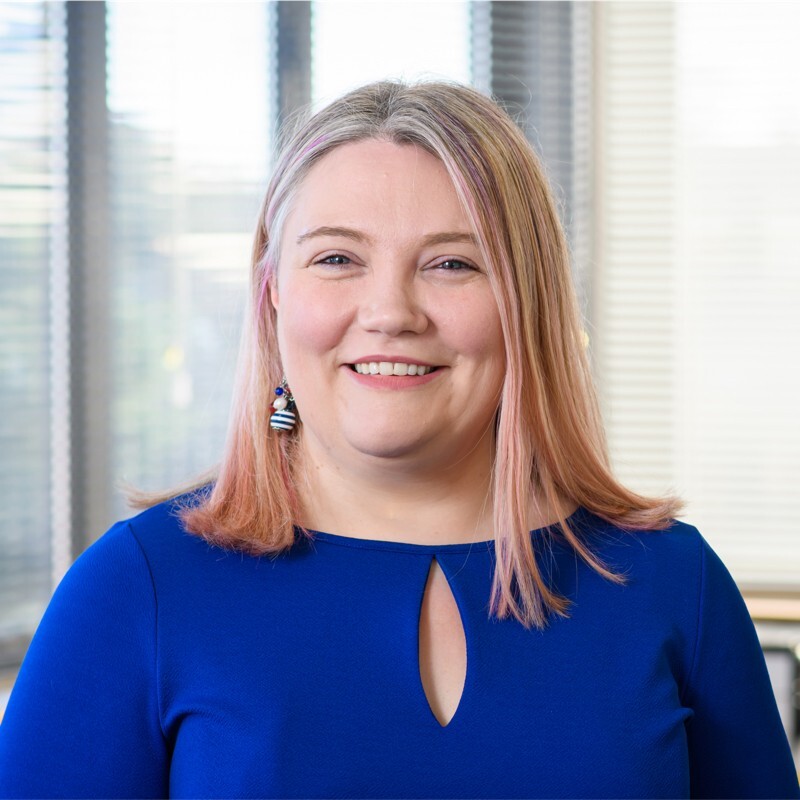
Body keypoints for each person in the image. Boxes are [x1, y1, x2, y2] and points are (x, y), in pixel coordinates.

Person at [0, 80, 797, 800]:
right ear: (273, 294)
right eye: (336, 258)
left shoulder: (675, 585)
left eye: (451, 263)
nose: (390, 312)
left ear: (528, 302)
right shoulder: (136, 590)